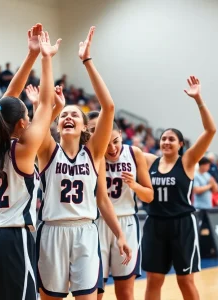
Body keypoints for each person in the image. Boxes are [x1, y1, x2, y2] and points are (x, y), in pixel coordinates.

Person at [0, 26, 61, 300]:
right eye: (27, 121)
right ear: (21, 123)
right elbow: (45, 103)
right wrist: (45, 57)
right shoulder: (23, 150)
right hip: (10, 238)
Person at [35, 26, 131, 300]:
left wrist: (87, 61)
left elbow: (109, 107)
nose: (68, 117)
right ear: (57, 124)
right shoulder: (47, 150)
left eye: (74, 115)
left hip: (86, 231)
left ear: (82, 126)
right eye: (63, 114)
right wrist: (46, 59)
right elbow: (44, 104)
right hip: (53, 231)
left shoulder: (94, 152)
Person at [142, 76, 216, 300]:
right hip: (154, 224)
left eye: (171, 139)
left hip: (182, 223)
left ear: (180, 144)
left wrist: (198, 99)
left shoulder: (188, 161)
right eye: (163, 138)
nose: (166, 142)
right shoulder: (148, 160)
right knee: (154, 279)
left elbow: (211, 130)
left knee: (186, 280)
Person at [87, 112, 153, 300]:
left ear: (121, 134)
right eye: (106, 143)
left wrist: (135, 185)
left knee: (125, 292)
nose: (112, 148)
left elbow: (149, 197)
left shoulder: (134, 153)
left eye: (115, 141)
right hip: (98, 223)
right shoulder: (92, 154)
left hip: (127, 223)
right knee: (96, 290)